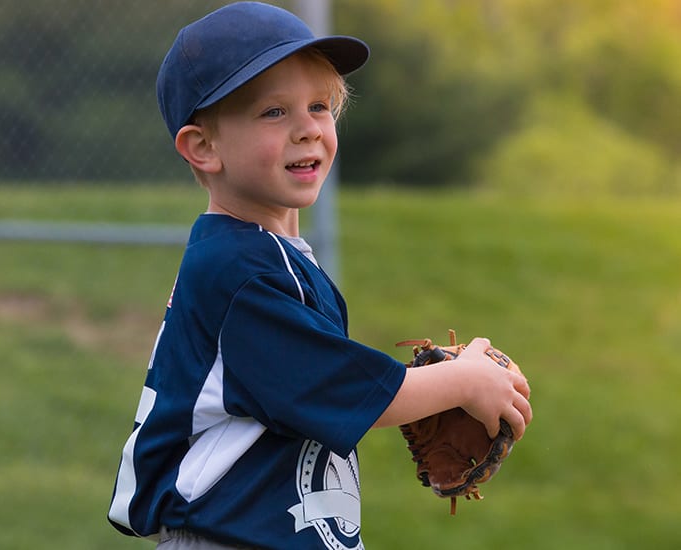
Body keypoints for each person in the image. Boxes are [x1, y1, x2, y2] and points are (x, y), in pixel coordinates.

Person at [107, 2, 532, 549]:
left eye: (319, 105)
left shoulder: (269, 255)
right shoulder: (238, 269)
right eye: (273, 112)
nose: (307, 129)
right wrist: (462, 381)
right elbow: (332, 385)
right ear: (203, 147)